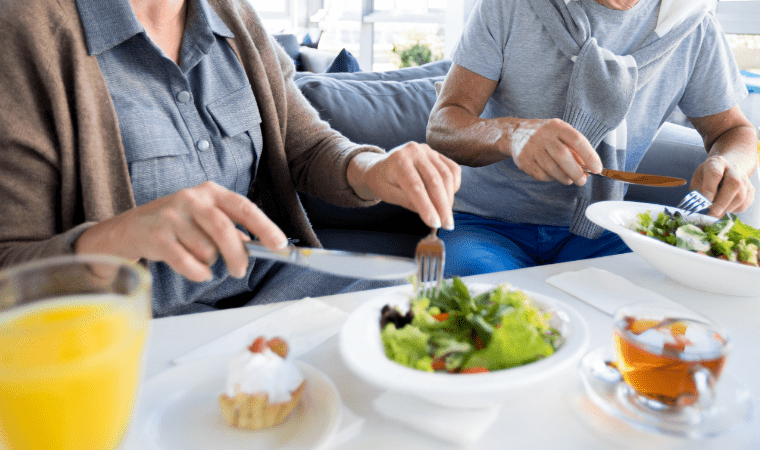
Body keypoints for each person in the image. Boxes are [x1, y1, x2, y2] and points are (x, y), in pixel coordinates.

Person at [0, 0, 460, 317]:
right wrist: (121, 235)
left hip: (276, 289)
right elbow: (10, 268)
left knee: (414, 313)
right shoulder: (25, 30)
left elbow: (308, 146)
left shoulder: (233, 15)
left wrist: (373, 170)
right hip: (138, 327)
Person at [426, 0, 757, 277]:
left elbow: (733, 131)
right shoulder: (509, 6)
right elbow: (443, 125)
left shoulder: (691, 23)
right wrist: (512, 133)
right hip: (485, 226)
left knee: (668, 301)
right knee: (486, 315)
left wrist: (731, 163)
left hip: (603, 226)